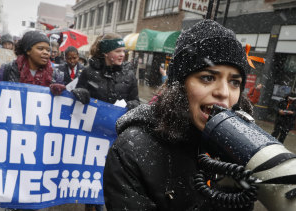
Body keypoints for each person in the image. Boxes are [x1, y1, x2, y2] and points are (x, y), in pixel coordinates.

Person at [103, 20, 255, 210]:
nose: (224, 92)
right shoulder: (131, 150)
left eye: (234, 82)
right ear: (179, 86)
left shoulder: (237, 148)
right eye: (208, 78)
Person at [72, 33, 140, 111]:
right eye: (117, 51)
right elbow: (77, 97)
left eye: (123, 51)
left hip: (118, 122)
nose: (122, 54)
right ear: (106, 53)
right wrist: (79, 93)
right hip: (94, 120)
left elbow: (136, 101)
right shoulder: (88, 72)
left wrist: (132, 104)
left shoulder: (129, 74)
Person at [0, 30, 65, 96]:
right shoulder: (8, 70)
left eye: (48, 50)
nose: (46, 53)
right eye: (40, 49)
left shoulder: (55, 75)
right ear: (28, 51)